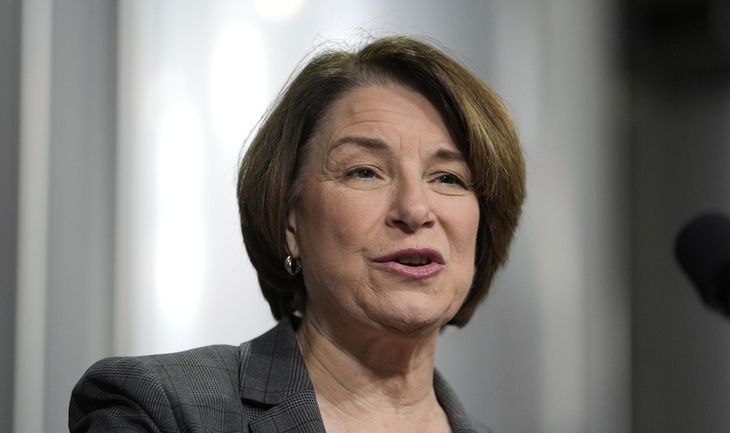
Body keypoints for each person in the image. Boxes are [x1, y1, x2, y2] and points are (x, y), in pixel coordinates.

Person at [69, 35, 526, 433]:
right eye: (364, 172)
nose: (414, 209)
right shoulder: (161, 409)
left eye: (448, 178)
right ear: (290, 224)